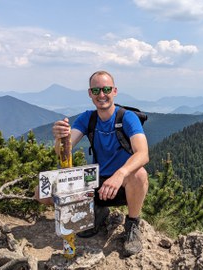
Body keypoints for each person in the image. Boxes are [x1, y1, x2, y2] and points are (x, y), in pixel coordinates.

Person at [51, 70, 149, 256]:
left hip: (122, 184)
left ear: (115, 91)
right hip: (97, 180)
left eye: (106, 89)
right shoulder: (88, 118)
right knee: (43, 194)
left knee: (139, 173)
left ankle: (132, 224)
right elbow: (64, 150)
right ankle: (98, 211)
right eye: (96, 90)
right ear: (90, 93)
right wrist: (60, 139)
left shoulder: (127, 117)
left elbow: (143, 154)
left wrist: (119, 174)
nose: (101, 95)